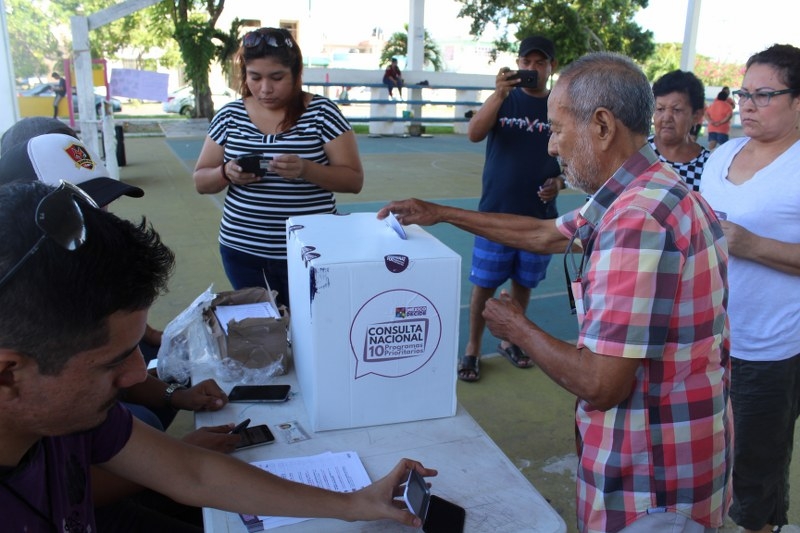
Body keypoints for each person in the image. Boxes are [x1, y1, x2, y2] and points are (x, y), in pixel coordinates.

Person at [378, 51, 731, 532]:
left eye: (558, 129)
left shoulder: (634, 222)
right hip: (679, 460)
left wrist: (517, 328)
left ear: (602, 126)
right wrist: (441, 212)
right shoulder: (649, 190)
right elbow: (544, 234)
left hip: (650, 483)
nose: (551, 146)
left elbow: (602, 384)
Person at [0, 179, 436, 532]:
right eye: (113, 362)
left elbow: (192, 473)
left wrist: (354, 503)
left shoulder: (69, 416)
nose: (139, 372)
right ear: (7, 372)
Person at [700, 43, 800, 533]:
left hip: (768, 351)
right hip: (708, 341)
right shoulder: (723, 154)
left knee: (755, 474)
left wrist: (752, 244)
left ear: (799, 101)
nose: (747, 104)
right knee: (709, 462)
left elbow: (741, 240)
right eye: (744, 93)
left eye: (764, 95)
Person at [193, 27, 363, 309]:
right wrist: (226, 172)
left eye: (277, 78)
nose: (265, 88)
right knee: (262, 331)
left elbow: (354, 180)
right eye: (255, 77)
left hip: (310, 251)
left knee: (312, 329)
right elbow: (201, 181)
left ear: (296, 74)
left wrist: (306, 169)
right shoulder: (230, 115)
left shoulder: (322, 112)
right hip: (242, 251)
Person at [458, 35, 563, 382]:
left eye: (540, 63)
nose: (532, 69)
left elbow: (572, 156)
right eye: (526, 62)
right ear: (517, 64)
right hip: (495, 215)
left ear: (552, 67)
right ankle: (473, 348)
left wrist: (560, 183)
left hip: (538, 218)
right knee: (483, 287)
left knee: (523, 285)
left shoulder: (559, 107)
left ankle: (511, 341)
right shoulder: (504, 99)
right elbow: (474, 133)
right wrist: (499, 94)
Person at [649, 69, 711, 191]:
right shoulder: (637, 152)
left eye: (676, 110)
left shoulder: (709, 166)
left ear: (697, 115)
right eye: (660, 109)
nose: (666, 118)